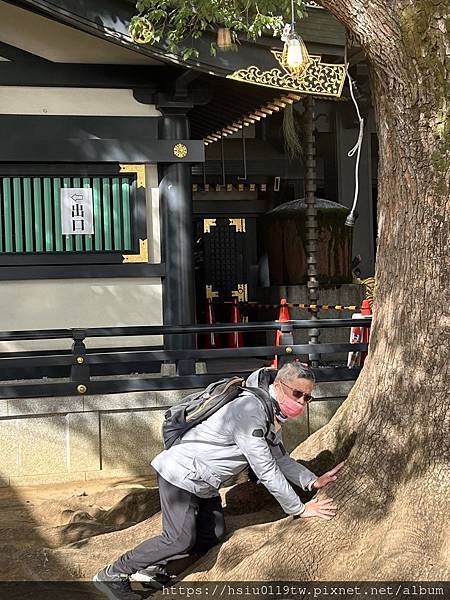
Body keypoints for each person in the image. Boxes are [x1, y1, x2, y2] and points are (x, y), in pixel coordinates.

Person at [94, 363, 344, 600]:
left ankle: (150, 567)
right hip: (181, 474)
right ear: (279, 385)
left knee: (211, 534)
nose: (301, 402)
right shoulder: (249, 410)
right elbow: (265, 468)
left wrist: (312, 482)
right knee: (179, 538)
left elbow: (279, 458)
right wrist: (299, 509)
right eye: (297, 393)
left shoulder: (271, 412)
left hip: (204, 483)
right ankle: (113, 573)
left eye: (307, 398)